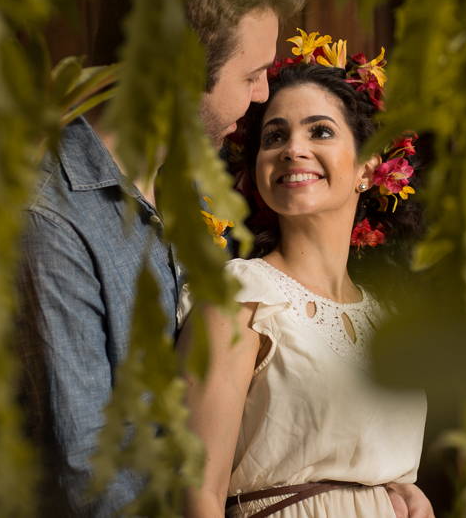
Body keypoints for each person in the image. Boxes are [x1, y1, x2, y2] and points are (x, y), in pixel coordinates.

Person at [16, 0, 306, 518]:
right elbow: (88, 477)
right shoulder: (51, 220)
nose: (259, 97)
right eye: (251, 76)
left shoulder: (199, 195)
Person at [178, 36, 435, 518]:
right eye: (274, 136)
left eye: (319, 131)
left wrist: (395, 496)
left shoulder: (388, 319)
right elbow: (198, 493)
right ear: (254, 171)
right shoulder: (241, 298)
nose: (293, 148)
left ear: (368, 165)